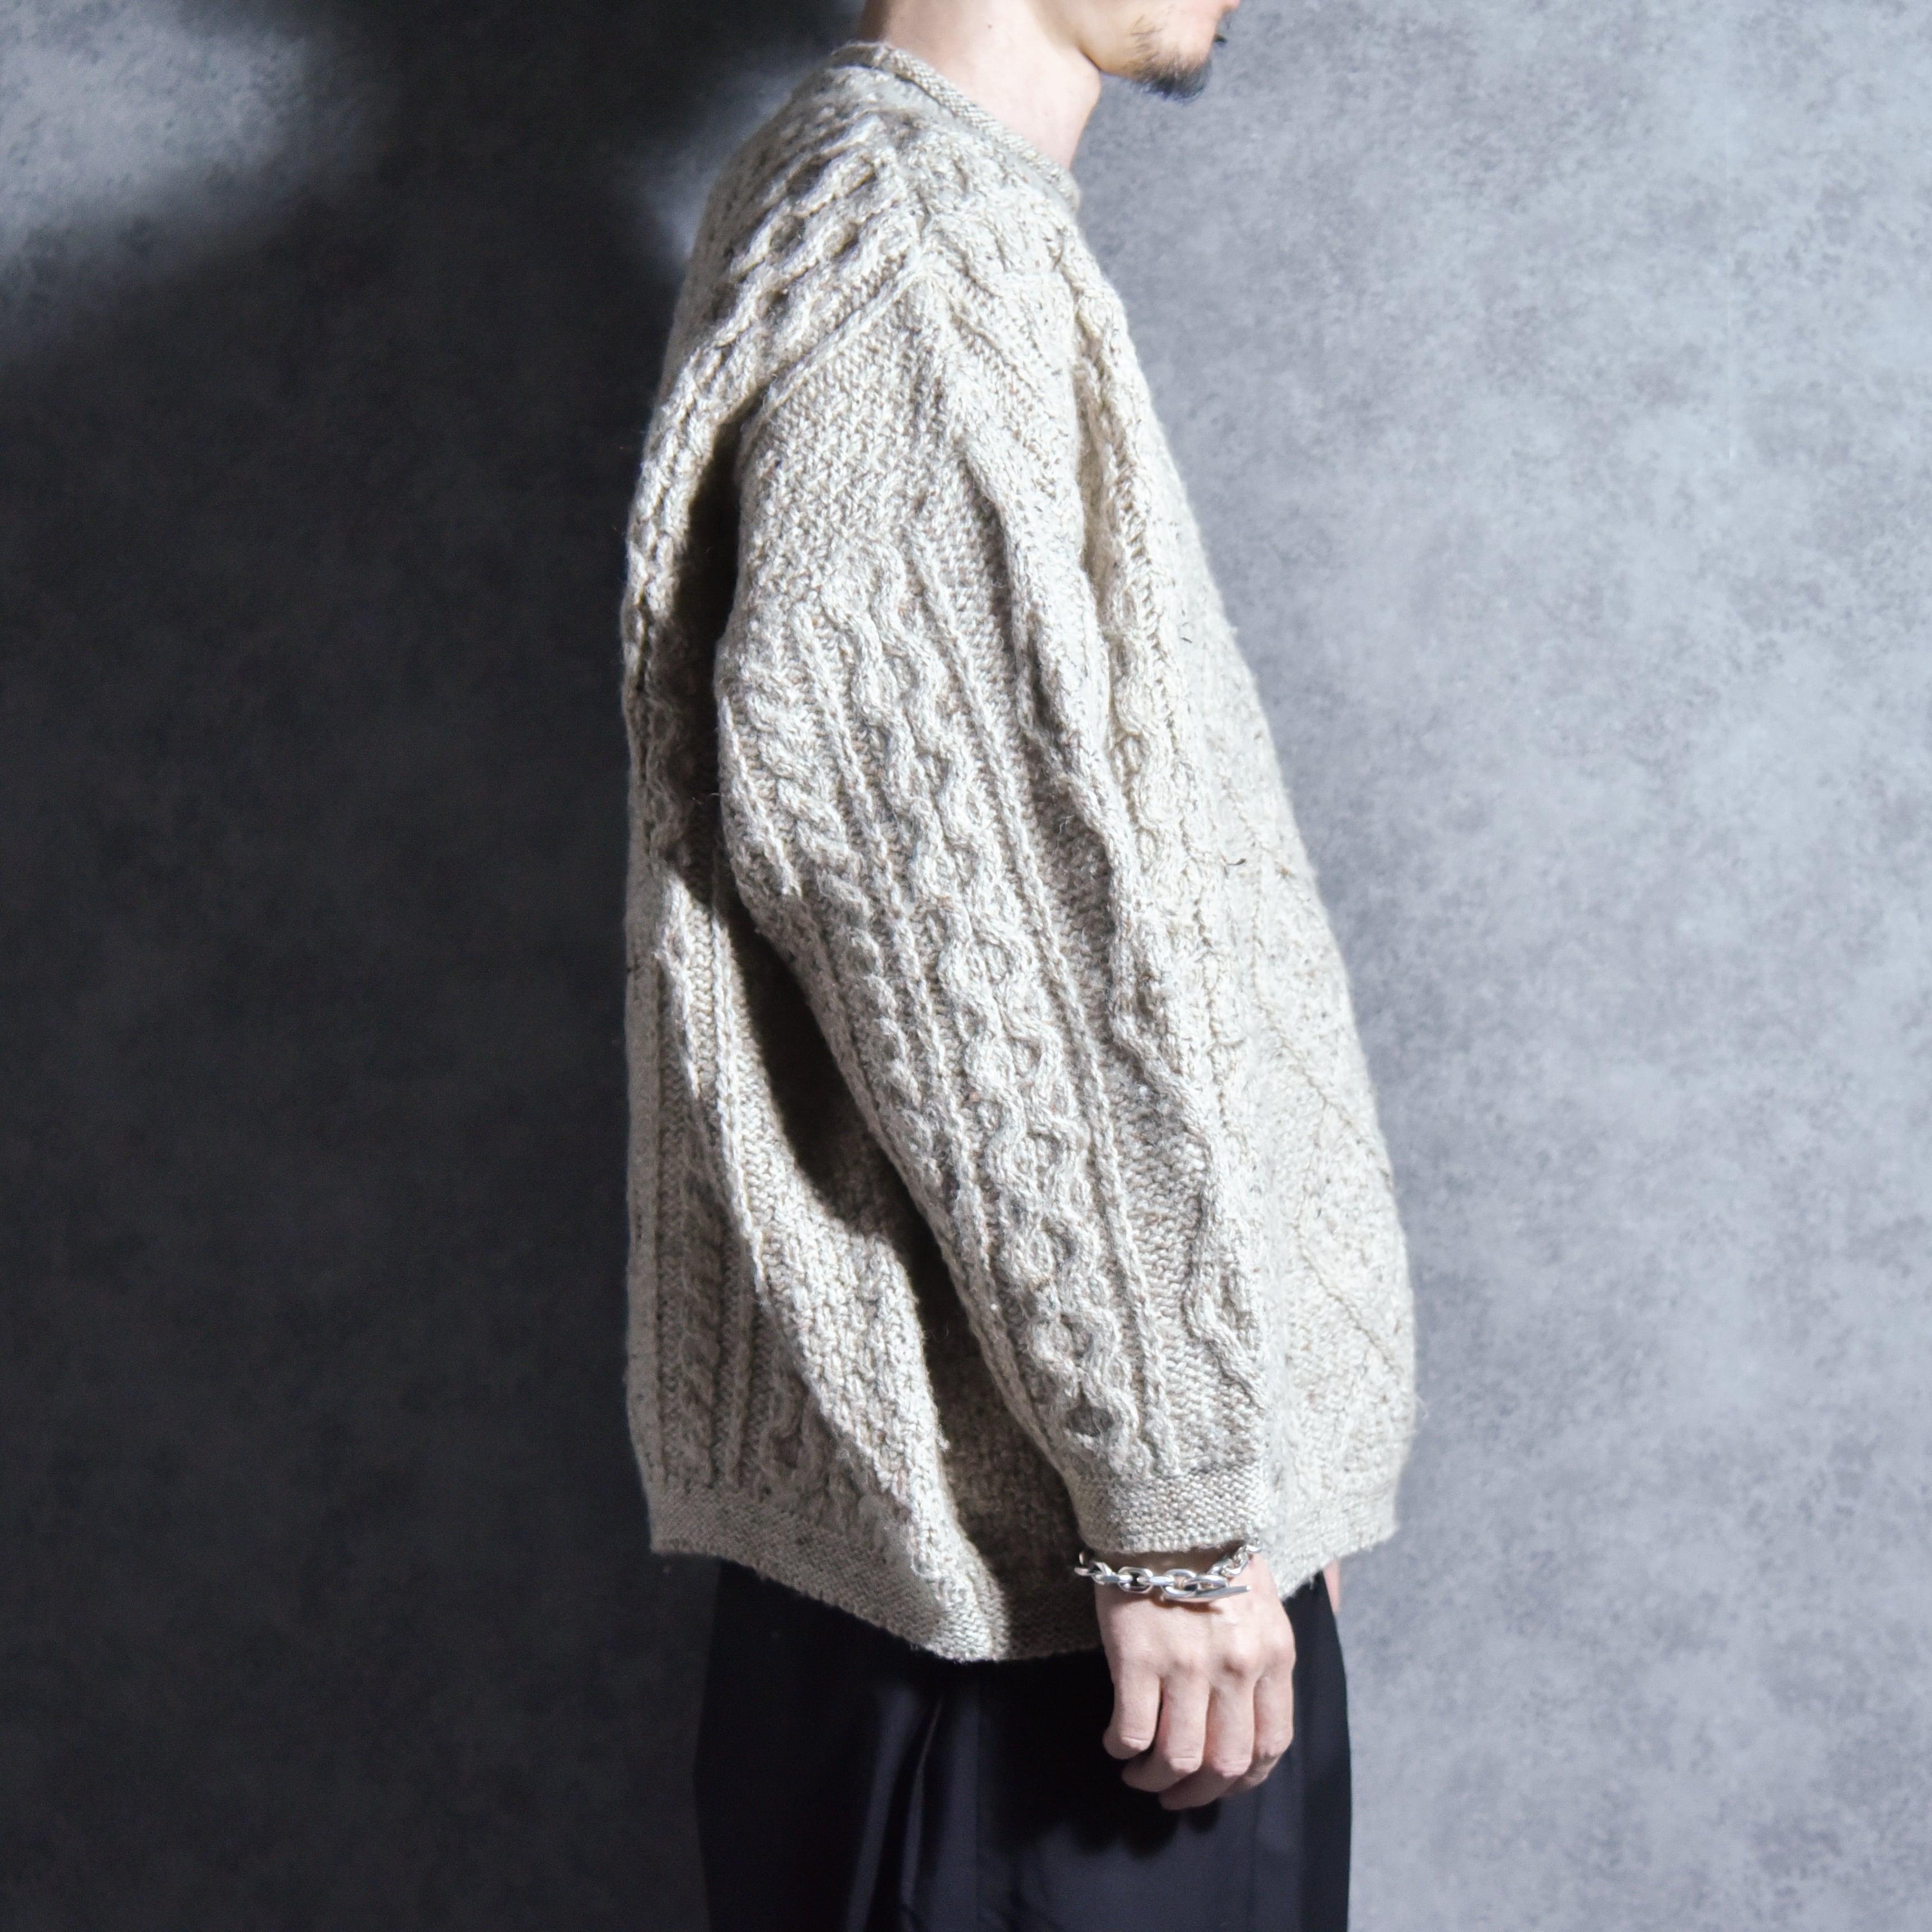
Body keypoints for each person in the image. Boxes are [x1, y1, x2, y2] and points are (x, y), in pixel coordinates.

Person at [618, 1, 1416, 1924]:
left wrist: (1240, 1485)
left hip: (1061, 1584)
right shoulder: (910, 254)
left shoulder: (901, 210)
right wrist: (1177, 1516)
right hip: (1048, 1630)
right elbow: (975, 933)